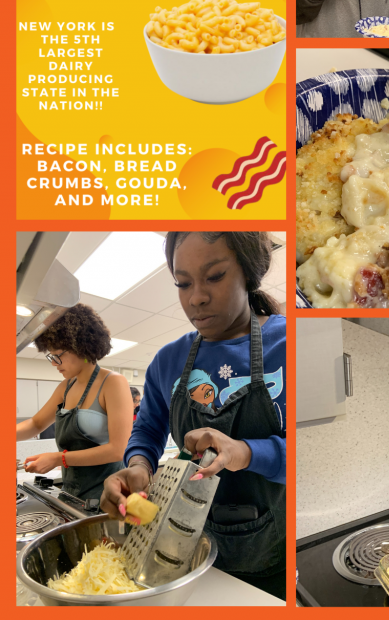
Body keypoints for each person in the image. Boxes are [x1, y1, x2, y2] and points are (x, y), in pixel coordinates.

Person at [100, 232, 287, 599]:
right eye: (182, 283)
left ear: (248, 273)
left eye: (214, 277)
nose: (195, 297)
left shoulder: (289, 343)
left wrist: (244, 452)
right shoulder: (168, 361)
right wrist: (139, 466)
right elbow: (148, 430)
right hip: (181, 552)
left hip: (272, 559)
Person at [17, 304, 133, 501]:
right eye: (50, 356)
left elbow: (117, 450)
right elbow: (36, 424)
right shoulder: (66, 387)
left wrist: (58, 459)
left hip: (109, 493)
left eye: (57, 355)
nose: (53, 363)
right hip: (74, 493)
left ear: (79, 346)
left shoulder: (113, 382)